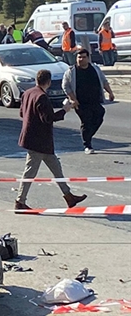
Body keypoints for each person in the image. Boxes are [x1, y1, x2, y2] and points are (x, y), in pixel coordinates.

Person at [15, 69, 87, 211]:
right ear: (48, 82)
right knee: (30, 172)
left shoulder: (28, 93)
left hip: (34, 139)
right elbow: (48, 118)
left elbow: (22, 113)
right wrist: (65, 110)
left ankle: (68, 196)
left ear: (37, 80)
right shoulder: (42, 97)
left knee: (56, 168)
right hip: (39, 141)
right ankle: (20, 201)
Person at [62, 48, 115, 154]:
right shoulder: (71, 71)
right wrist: (73, 98)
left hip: (95, 101)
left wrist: (110, 92)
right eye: (79, 57)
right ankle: (87, 145)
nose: (81, 59)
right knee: (86, 121)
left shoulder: (95, 69)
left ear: (88, 58)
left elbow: (104, 81)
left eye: (84, 57)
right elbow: (65, 86)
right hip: (80, 103)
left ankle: (88, 136)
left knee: (99, 115)